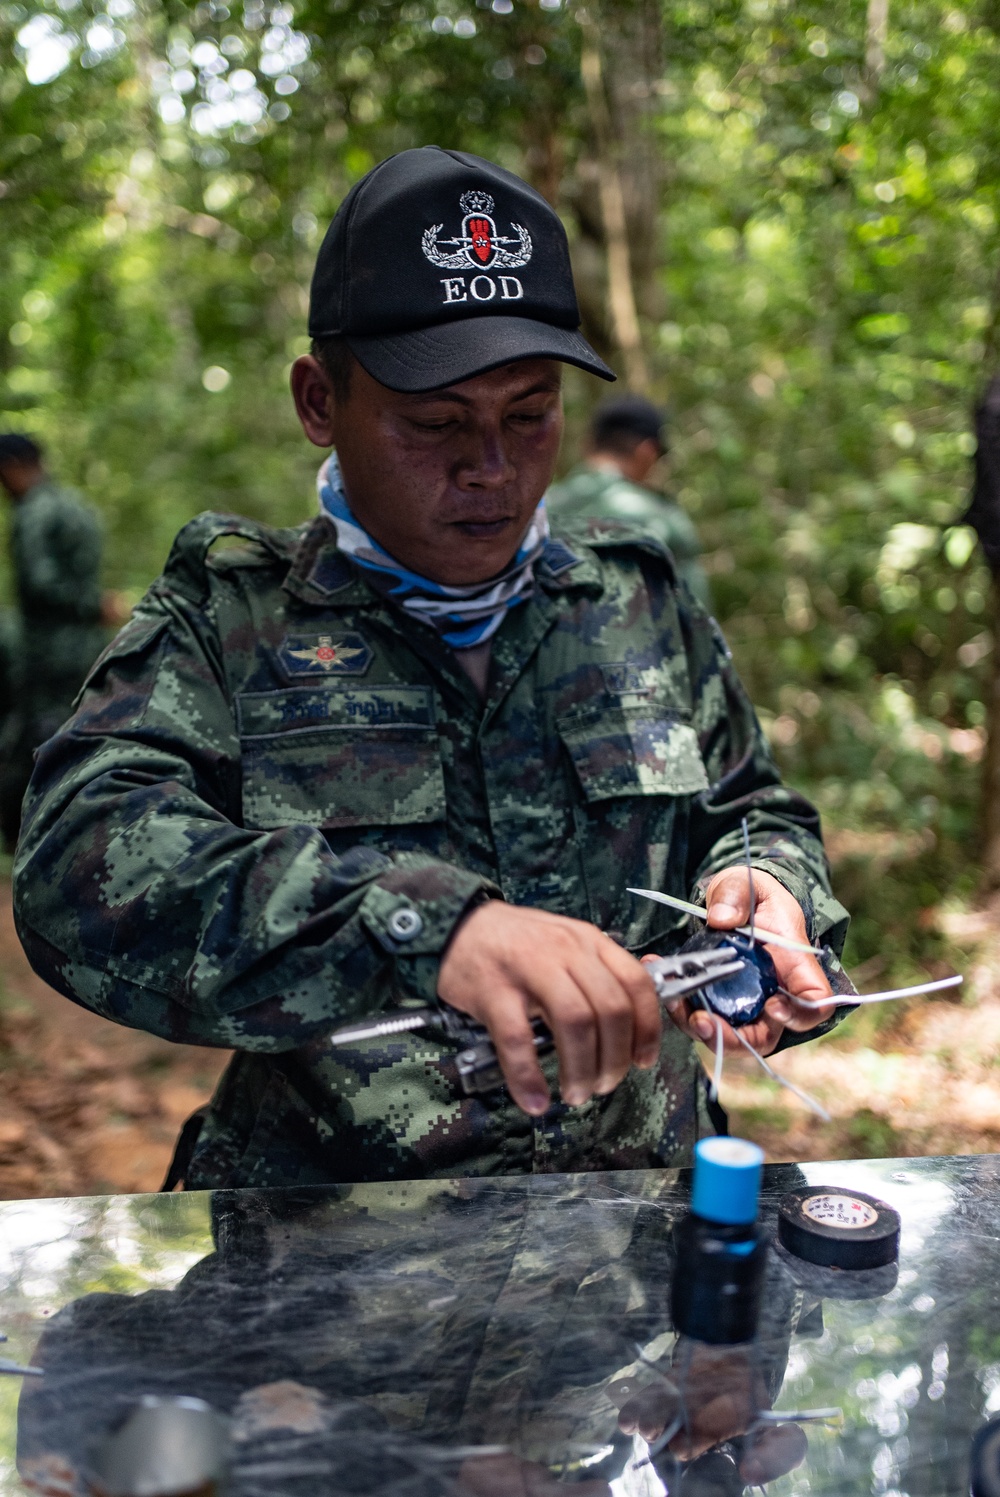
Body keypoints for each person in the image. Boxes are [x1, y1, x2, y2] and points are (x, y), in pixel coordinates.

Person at [12, 147, 850, 1191]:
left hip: (630, 1243)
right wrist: (417, 922)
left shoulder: (634, 600)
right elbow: (75, 869)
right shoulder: (233, 616)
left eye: (529, 414)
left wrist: (771, 886)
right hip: (331, 1267)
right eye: (437, 423)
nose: (490, 470)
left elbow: (750, 807)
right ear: (320, 402)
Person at [0, 433, 108, 848]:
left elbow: (39, 584)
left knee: (29, 741)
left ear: (13, 465)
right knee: (73, 735)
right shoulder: (77, 506)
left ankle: (24, 844)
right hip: (84, 649)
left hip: (44, 651)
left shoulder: (34, 512)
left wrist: (89, 605)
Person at [548, 395, 711, 607]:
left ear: (587, 445)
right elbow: (697, 625)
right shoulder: (664, 523)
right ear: (647, 453)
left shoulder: (535, 509)